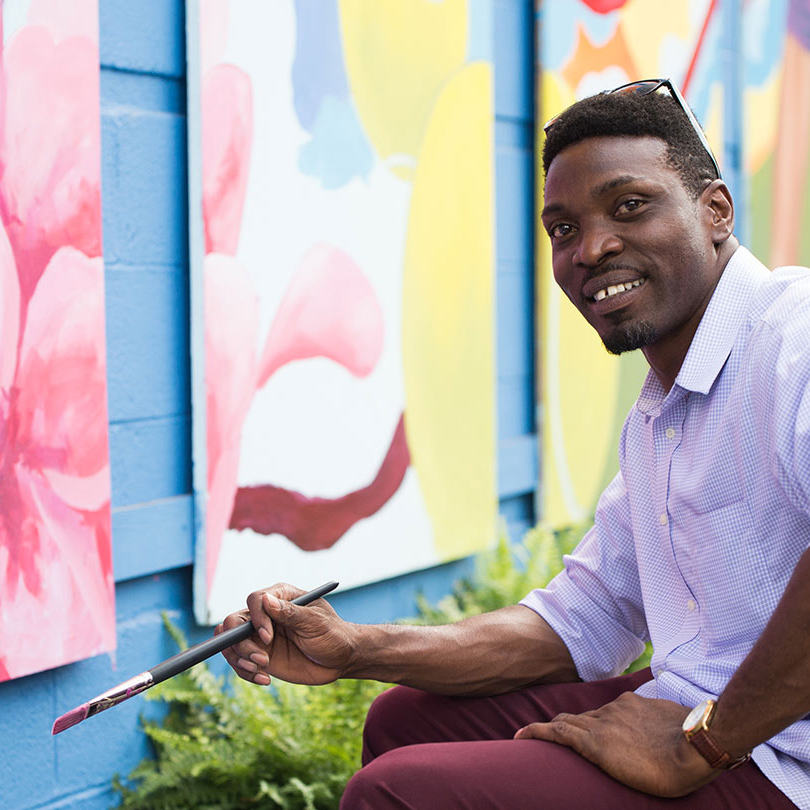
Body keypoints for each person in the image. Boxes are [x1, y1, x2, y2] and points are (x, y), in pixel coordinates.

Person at [217, 79, 810, 809]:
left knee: (397, 795)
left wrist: (703, 744)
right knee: (404, 721)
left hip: (783, 760)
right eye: (563, 229)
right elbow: (580, 619)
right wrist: (355, 649)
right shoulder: (661, 416)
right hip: (710, 718)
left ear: (714, 209)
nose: (591, 247)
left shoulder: (794, 340)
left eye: (629, 206)